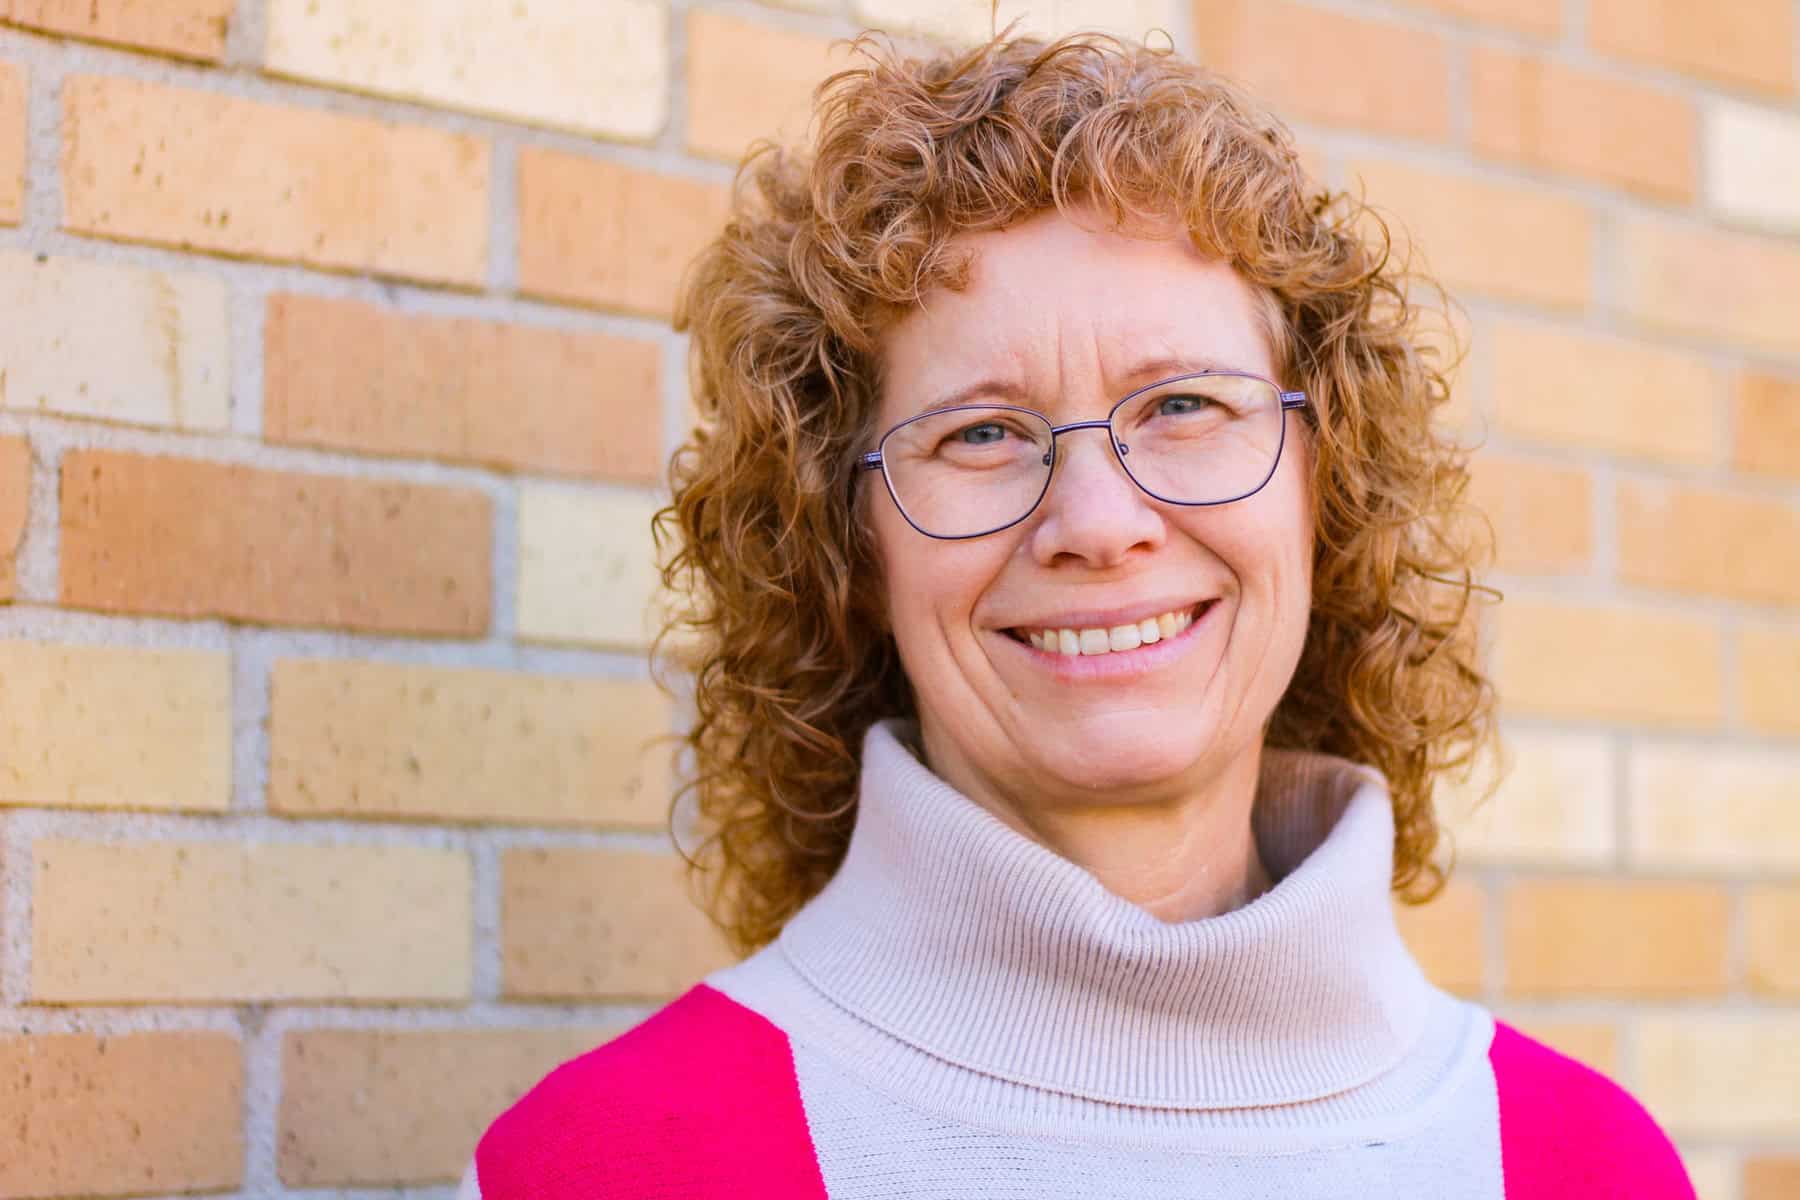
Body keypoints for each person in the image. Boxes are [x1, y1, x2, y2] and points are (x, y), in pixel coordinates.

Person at [464, 31, 1695, 1199]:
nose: (1099, 522)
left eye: (1185, 407)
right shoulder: (601, 1167)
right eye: (982, 432)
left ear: (1328, 482)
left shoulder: (1585, 1164)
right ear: (849, 544)